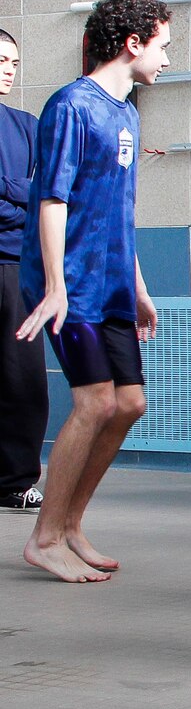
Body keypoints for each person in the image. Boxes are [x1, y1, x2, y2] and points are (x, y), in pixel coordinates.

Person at [14, 0, 172, 582]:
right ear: (132, 43)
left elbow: (119, 212)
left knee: (129, 403)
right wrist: (55, 286)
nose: (165, 59)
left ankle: (71, 521)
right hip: (71, 285)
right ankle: (44, 536)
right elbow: (52, 199)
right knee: (95, 401)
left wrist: (138, 287)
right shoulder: (71, 107)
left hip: (108, 285)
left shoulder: (128, 112)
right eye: (162, 45)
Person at [0, 29, 46, 515]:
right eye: (0, 59)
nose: (9, 69)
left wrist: (12, 193)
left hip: (17, 267)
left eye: (14, 60)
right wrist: (23, 193)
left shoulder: (28, 126)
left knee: (22, 379)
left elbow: (47, 194)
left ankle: (14, 482)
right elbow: (29, 195)